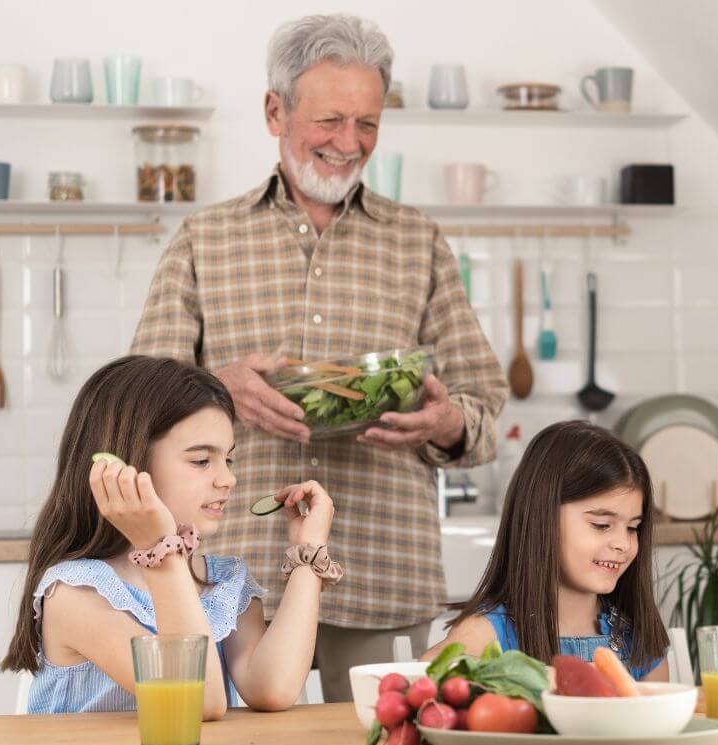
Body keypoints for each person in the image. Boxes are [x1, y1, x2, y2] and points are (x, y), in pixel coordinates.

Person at [131, 13, 507, 701]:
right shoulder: (203, 239)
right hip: (224, 578)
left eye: (367, 123)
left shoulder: (417, 240)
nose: (349, 143)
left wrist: (444, 423)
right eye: (330, 120)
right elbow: (134, 403)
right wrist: (220, 388)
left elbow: (484, 407)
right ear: (275, 111)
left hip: (381, 571)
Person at [0, 356, 338, 716]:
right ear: (127, 466)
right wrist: (159, 547)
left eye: (229, 460)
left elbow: (273, 688)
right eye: (200, 461)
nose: (227, 480)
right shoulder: (75, 593)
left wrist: (308, 552)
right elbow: (195, 700)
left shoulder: (224, 583)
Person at [424, 421, 670, 681]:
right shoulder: (489, 633)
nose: (623, 543)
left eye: (632, 528)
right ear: (542, 517)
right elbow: (426, 676)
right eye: (602, 525)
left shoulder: (636, 637)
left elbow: (663, 717)